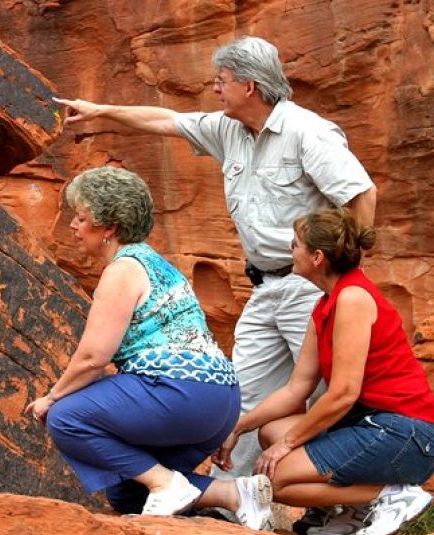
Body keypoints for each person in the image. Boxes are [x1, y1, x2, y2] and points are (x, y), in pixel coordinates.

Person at [53, 37, 378, 497]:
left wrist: (347, 275)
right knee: (240, 397)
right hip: (264, 287)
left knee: (332, 396)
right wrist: (102, 111)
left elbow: (362, 195)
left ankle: (356, 500)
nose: (214, 89)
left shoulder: (308, 133)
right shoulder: (229, 130)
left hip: (313, 285)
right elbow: (167, 120)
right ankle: (235, 501)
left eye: (221, 81)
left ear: (249, 85)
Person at [24, 165, 272, 530]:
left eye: (81, 218)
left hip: (182, 395)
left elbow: (94, 357)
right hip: (220, 403)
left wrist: (53, 397)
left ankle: (165, 483)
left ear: (109, 227)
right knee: (127, 493)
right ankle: (234, 494)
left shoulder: (123, 269)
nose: (74, 227)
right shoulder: (157, 263)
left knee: (66, 417)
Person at [213, 208, 434, 535]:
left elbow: (343, 393)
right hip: (373, 425)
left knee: (276, 478)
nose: (290, 250)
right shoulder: (325, 304)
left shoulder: (353, 298)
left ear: (316, 257)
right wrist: (238, 428)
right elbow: (296, 389)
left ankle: (390, 494)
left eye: (295, 244)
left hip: (407, 434)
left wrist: (288, 444)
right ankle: (350, 512)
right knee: (270, 433)